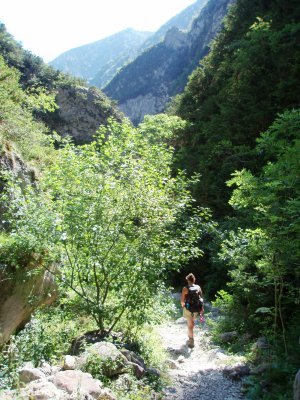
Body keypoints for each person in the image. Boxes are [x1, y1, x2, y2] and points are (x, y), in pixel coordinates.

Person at [181, 272, 204, 348]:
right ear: (194, 280)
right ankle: (190, 335)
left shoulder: (185, 288)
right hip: (196, 308)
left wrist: (183, 306)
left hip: (188, 309)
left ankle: (191, 339)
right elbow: (201, 299)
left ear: (187, 280)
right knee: (192, 323)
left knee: (190, 325)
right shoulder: (198, 287)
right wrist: (202, 308)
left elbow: (182, 301)